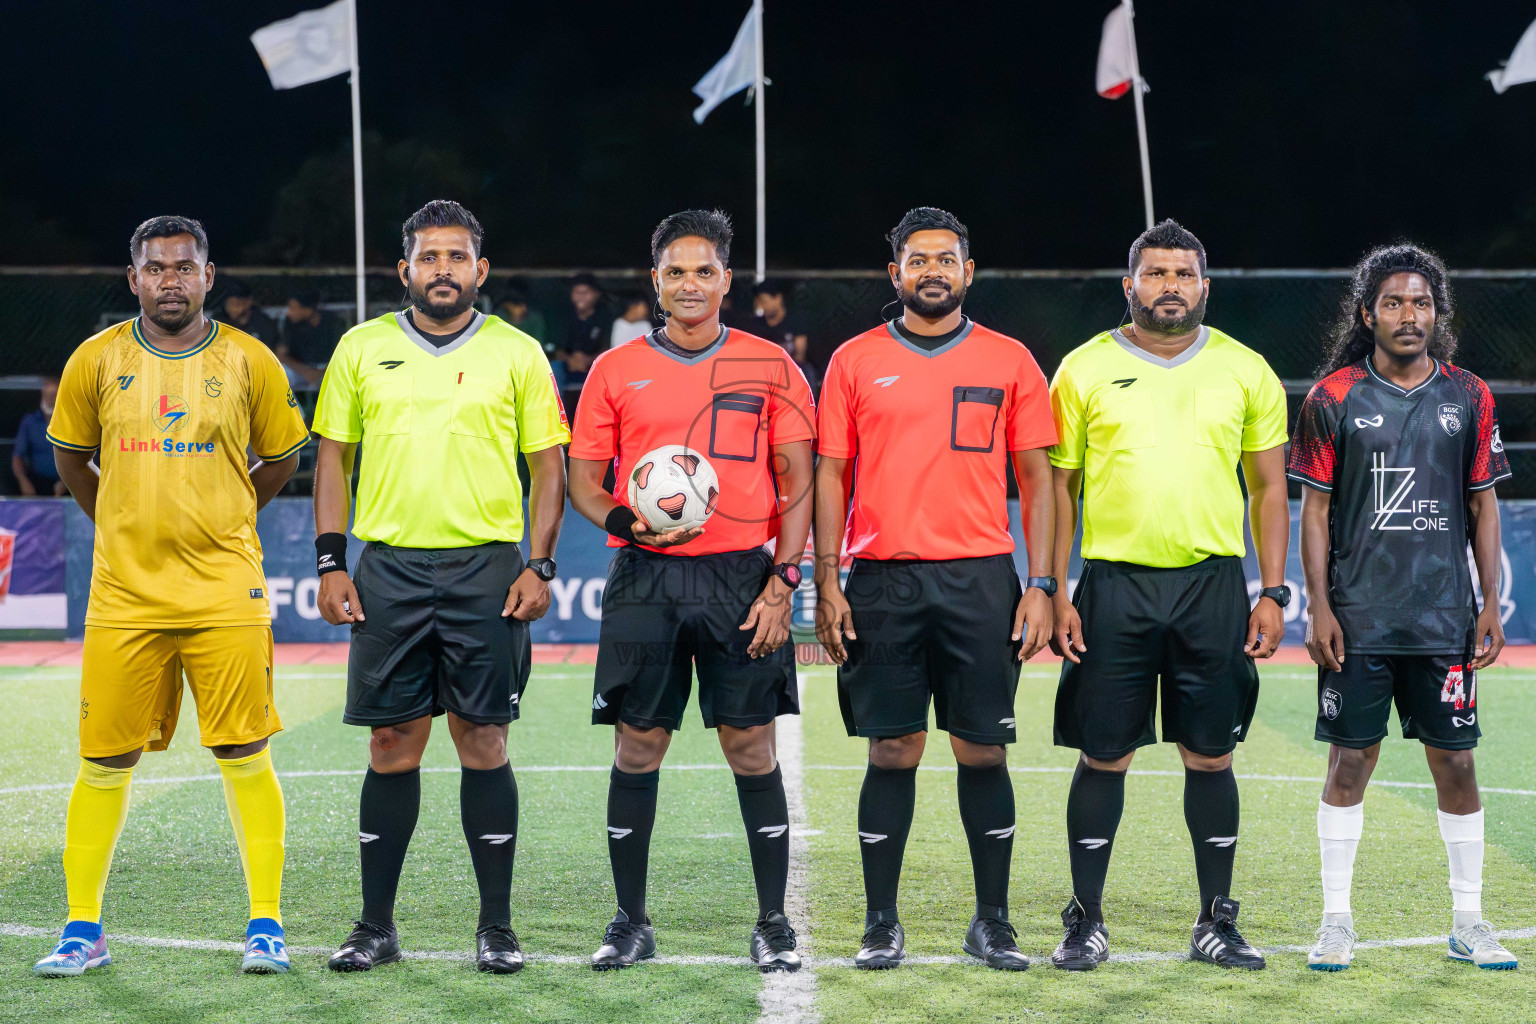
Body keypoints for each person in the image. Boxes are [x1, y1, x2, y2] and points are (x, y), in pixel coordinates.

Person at [33, 215, 308, 977]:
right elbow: (71, 457)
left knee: (244, 751)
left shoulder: (250, 359)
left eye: (185, 267)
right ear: (134, 279)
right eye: (155, 268)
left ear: (208, 276)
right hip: (124, 595)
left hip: (224, 591)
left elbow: (283, 458)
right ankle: (82, 931)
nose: (171, 280)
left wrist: (230, 516)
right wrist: (120, 520)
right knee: (104, 759)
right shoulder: (96, 358)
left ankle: (266, 925)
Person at [311, 201, 569, 975]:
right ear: (406, 269)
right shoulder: (361, 348)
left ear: (480, 270)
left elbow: (548, 466)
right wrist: (330, 562)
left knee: (482, 739)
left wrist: (540, 564)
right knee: (391, 742)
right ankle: (375, 926)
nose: (443, 270)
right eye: (429, 257)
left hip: (486, 570)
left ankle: (497, 927)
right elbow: (333, 459)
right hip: (388, 569)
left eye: (457, 257)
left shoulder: (518, 352)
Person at [567, 209, 815, 972]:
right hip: (645, 577)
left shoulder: (772, 365)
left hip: (741, 576)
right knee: (639, 745)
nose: (689, 284)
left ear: (726, 280)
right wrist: (627, 521)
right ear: (655, 282)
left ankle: (773, 921)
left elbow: (798, 483)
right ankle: (630, 921)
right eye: (675, 272)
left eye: (704, 271)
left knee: (750, 745)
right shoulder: (615, 370)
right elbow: (584, 480)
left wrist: (784, 579)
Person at [814, 207, 1056, 972]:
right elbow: (831, 475)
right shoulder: (854, 360)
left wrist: (1042, 583)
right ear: (895, 274)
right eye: (917, 260)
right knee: (893, 747)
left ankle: (993, 923)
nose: (932, 271)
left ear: (967, 272)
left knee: (982, 748)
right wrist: (828, 578)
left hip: (980, 578)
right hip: (882, 578)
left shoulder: (1011, 360)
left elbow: (1038, 481)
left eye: (945, 259)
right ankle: (881, 924)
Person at [1047, 219, 1289, 971]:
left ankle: (1216, 919)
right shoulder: (1082, 368)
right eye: (1156, 273)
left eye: (1184, 274)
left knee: (1211, 756)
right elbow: (1058, 489)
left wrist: (1273, 591)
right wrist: (1053, 588)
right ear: (1130, 285)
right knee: (1103, 755)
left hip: (1211, 586)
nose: (1170, 286)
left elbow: (1269, 488)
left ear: (1204, 286)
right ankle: (1086, 919)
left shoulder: (1245, 369)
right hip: (1113, 585)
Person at [1289, 244, 1518, 972]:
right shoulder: (1332, 398)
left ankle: (1469, 921)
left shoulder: (1470, 396)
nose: (1409, 314)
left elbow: (1483, 505)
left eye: (1421, 302)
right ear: (1368, 314)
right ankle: (1335, 921)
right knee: (1349, 762)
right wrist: (1319, 606)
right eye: (1394, 302)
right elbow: (1314, 512)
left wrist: (1488, 603)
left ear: (1436, 313)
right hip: (1358, 618)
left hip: (1443, 617)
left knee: (1457, 764)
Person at [753, 280, 819, 391]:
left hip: (791, 368)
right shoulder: (756, 324)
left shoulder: (795, 321)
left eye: (765, 301)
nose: (764, 306)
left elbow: (800, 353)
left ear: (778, 298)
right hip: (764, 372)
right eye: (760, 302)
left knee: (806, 369)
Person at [12, 376, 66, 496]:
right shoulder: (29, 422)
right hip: (38, 482)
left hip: (69, 482)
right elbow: (18, 456)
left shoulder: (73, 422)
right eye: (48, 396)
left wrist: (67, 482)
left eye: (54, 396)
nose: (50, 400)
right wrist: (23, 480)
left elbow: (83, 456)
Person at [278, 288, 343, 385]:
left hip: (330, 370)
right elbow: (281, 355)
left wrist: (321, 372)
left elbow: (345, 356)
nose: (288, 312)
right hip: (301, 370)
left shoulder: (332, 322)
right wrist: (306, 371)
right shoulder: (290, 324)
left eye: (293, 308)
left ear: (308, 310)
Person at [556, 272, 612, 381]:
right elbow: (555, 348)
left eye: (586, 292)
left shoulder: (605, 316)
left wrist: (588, 359)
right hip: (567, 365)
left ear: (596, 294)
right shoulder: (563, 316)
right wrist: (570, 360)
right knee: (555, 368)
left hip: (596, 365)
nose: (581, 296)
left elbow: (609, 347)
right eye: (577, 292)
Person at [219, 279, 281, 347]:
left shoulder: (264, 324)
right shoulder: (219, 323)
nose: (232, 309)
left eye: (236, 304)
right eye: (229, 304)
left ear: (248, 302)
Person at [493, 280, 548, 349]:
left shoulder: (535, 319)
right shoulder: (498, 317)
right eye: (517, 304)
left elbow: (537, 345)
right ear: (506, 305)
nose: (523, 309)